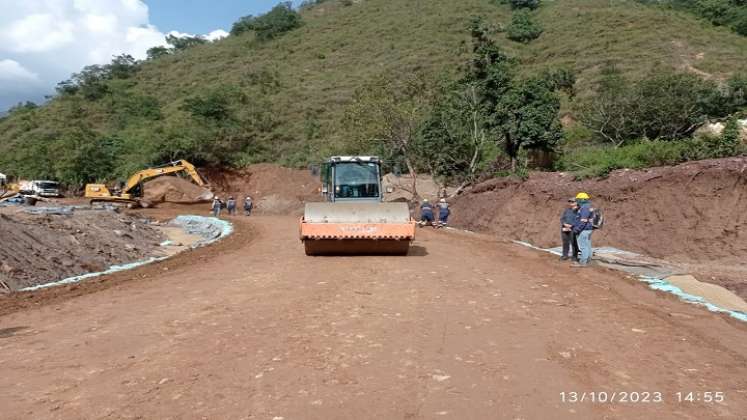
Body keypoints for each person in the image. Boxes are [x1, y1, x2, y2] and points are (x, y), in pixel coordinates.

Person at [572, 192, 594, 267]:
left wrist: (577, 230)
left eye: (578, 200)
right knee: (588, 245)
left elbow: (583, 221)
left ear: (581, 200)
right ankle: (588, 260)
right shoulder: (588, 206)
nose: (577, 201)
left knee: (583, 246)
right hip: (588, 229)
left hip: (584, 230)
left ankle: (583, 262)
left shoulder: (584, 208)